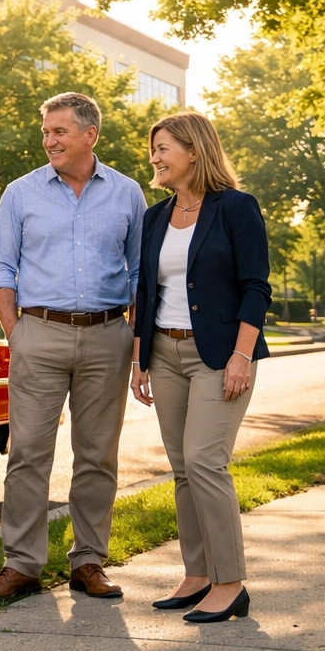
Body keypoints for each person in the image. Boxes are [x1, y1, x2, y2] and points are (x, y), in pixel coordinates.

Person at [0, 92, 146, 601]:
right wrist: (16, 332)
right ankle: (22, 564)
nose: (48, 140)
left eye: (59, 132)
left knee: (98, 455)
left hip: (107, 334)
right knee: (28, 453)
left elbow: (139, 272)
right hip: (39, 333)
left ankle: (88, 562)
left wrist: (136, 341)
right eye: (46, 132)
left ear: (89, 135)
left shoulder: (127, 193)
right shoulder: (21, 193)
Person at [131, 111, 270, 623]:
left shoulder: (235, 208)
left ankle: (230, 583)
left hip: (219, 355)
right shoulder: (154, 217)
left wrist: (241, 355)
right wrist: (140, 357)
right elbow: (146, 291)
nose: (155, 157)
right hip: (164, 354)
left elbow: (256, 285)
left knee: (207, 462)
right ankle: (197, 574)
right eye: (154, 149)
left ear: (194, 151)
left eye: (164, 147)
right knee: (184, 469)